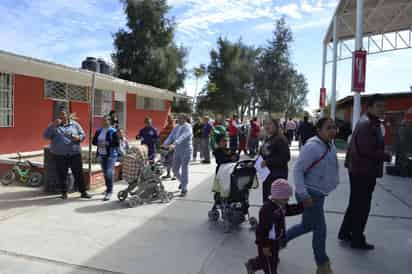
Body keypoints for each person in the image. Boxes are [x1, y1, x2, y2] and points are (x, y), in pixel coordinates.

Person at [284, 118, 339, 274]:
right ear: (319, 130)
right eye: (328, 128)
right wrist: (303, 194)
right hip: (309, 193)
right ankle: (323, 265)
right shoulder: (312, 147)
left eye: (334, 127)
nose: (333, 131)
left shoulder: (329, 144)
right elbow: (298, 170)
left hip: (319, 193)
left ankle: (279, 241)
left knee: (306, 226)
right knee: (320, 229)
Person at [339, 95, 391, 250]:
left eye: (383, 106)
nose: (382, 109)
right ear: (369, 108)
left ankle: (346, 233)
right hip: (363, 171)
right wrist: (386, 156)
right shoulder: (367, 124)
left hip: (359, 169)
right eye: (378, 106)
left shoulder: (368, 122)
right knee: (362, 206)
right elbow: (366, 150)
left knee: (355, 204)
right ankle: (357, 239)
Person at [245, 179, 303, 274]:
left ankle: (252, 264)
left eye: (288, 198)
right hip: (267, 243)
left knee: (270, 261)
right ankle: (254, 264)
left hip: (275, 242)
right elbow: (261, 231)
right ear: (277, 197)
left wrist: (302, 207)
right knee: (270, 267)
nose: (287, 200)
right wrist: (264, 246)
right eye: (285, 199)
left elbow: (289, 210)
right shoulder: (267, 210)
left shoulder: (280, 205)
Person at [44, 109, 92, 200]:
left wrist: (78, 137)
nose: (62, 116)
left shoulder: (75, 124)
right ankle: (64, 193)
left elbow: (83, 135)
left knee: (78, 173)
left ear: (68, 115)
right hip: (60, 155)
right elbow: (46, 136)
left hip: (74, 154)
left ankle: (83, 192)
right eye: (60, 115)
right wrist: (53, 126)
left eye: (63, 114)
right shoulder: (53, 125)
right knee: (62, 174)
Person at [259, 118, 290, 203]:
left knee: (276, 205)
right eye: (265, 124)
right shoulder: (268, 138)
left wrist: (268, 162)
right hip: (267, 176)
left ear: (276, 126)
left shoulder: (280, 139)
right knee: (267, 203)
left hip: (277, 177)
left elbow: (286, 157)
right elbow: (265, 153)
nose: (267, 126)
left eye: (270, 124)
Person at [163, 114, 193, 197]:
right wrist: (165, 143)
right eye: (178, 118)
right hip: (177, 150)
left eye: (180, 118)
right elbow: (171, 136)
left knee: (184, 169)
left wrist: (174, 144)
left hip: (186, 150)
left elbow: (183, 136)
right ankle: (182, 182)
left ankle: (184, 188)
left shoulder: (188, 127)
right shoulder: (176, 127)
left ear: (184, 119)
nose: (178, 120)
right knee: (175, 169)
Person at [92, 116, 120, 201]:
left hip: (111, 155)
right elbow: (93, 142)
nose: (104, 122)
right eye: (103, 120)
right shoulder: (99, 131)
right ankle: (108, 188)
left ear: (109, 121)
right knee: (105, 173)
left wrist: (107, 144)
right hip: (101, 154)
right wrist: (98, 143)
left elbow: (117, 143)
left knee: (109, 173)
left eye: (106, 120)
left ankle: (109, 191)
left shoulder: (113, 131)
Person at [160, 115, 176, 179]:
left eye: (170, 119)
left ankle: (175, 175)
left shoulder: (175, 127)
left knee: (173, 161)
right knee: (167, 161)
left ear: (172, 119)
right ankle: (168, 174)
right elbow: (161, 134)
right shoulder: (166, 126)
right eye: (168, 119)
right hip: (166, 147)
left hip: (172, 147)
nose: (169, 120)